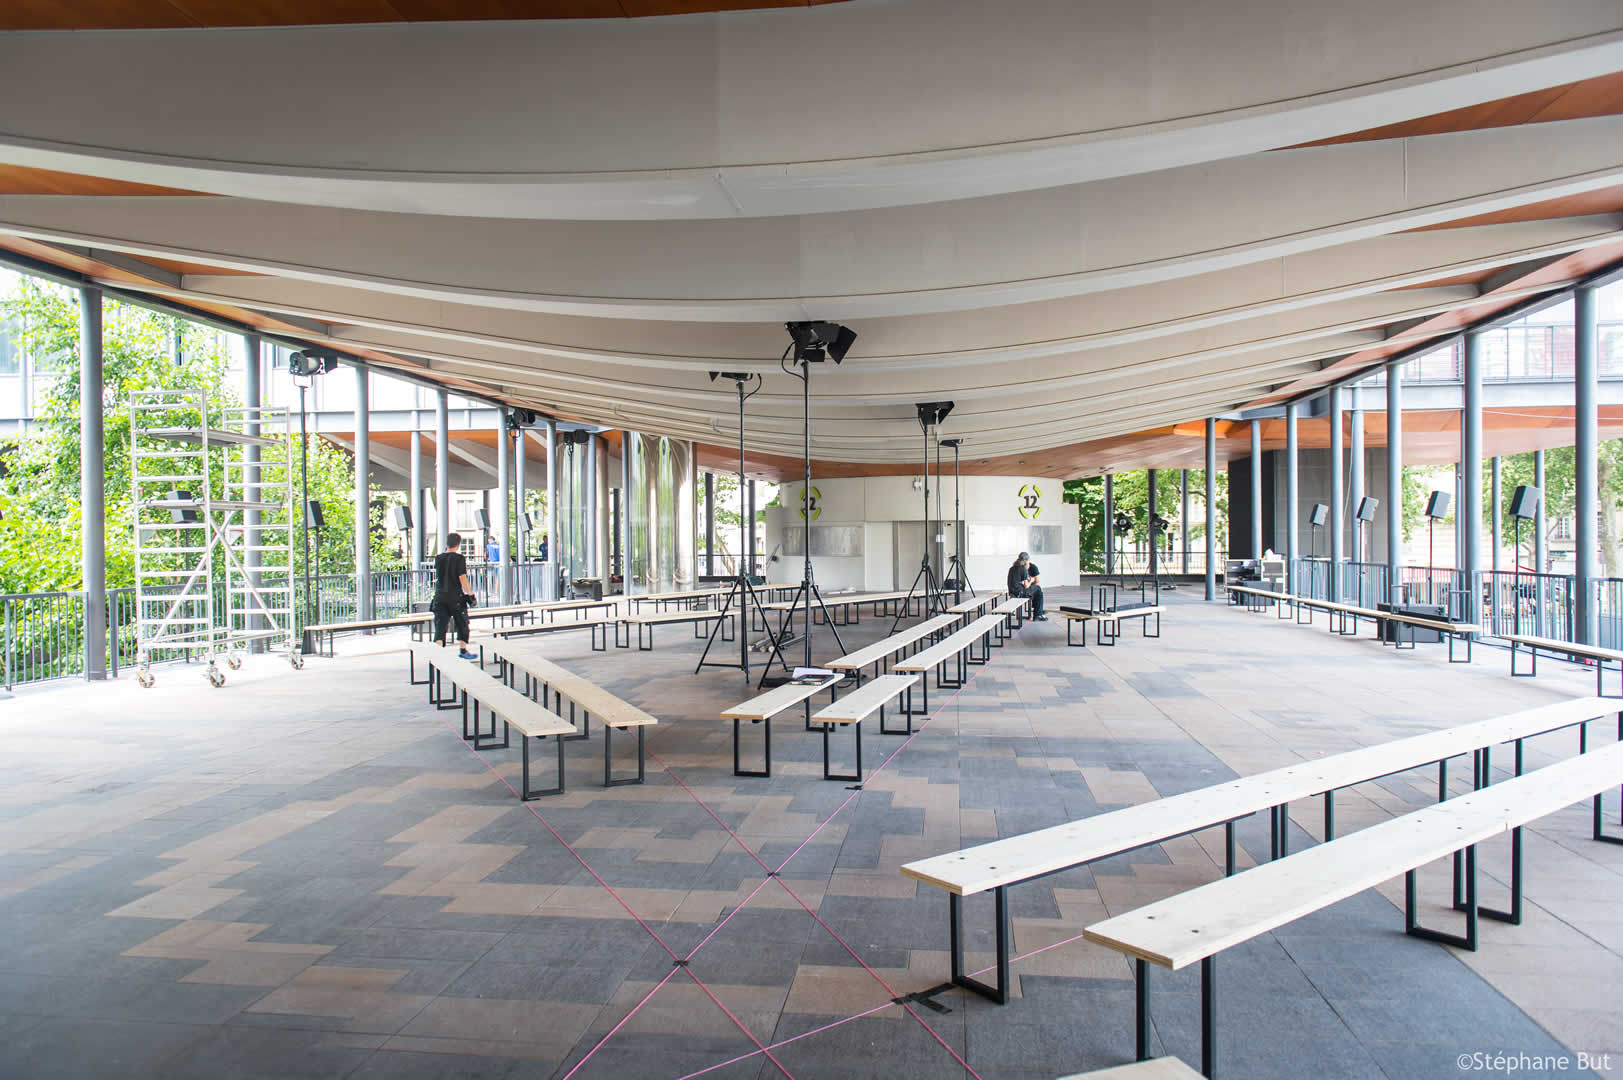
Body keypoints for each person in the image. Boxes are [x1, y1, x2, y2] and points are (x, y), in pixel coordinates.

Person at [433, 532, 478, 658]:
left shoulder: (438, 558)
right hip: (456, 597)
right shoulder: (459, 559)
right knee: (462, 623)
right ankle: (463, 650)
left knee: (440, 625)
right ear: (458, 545)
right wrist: (471, 595)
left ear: (446, 544)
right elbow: (462, 578)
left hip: (440, 596)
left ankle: (437, 653)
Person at [1007, 551, 1047, 620]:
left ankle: (1037, 609)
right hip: (1020, 593)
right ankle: (1038, 614)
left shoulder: (1012, 568)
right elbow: (1026, 586)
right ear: (1027, 560)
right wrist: (1031, 580)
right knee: (1038, 589)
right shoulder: (1023, 569)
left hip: (1012, 592)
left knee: (1035, 589)